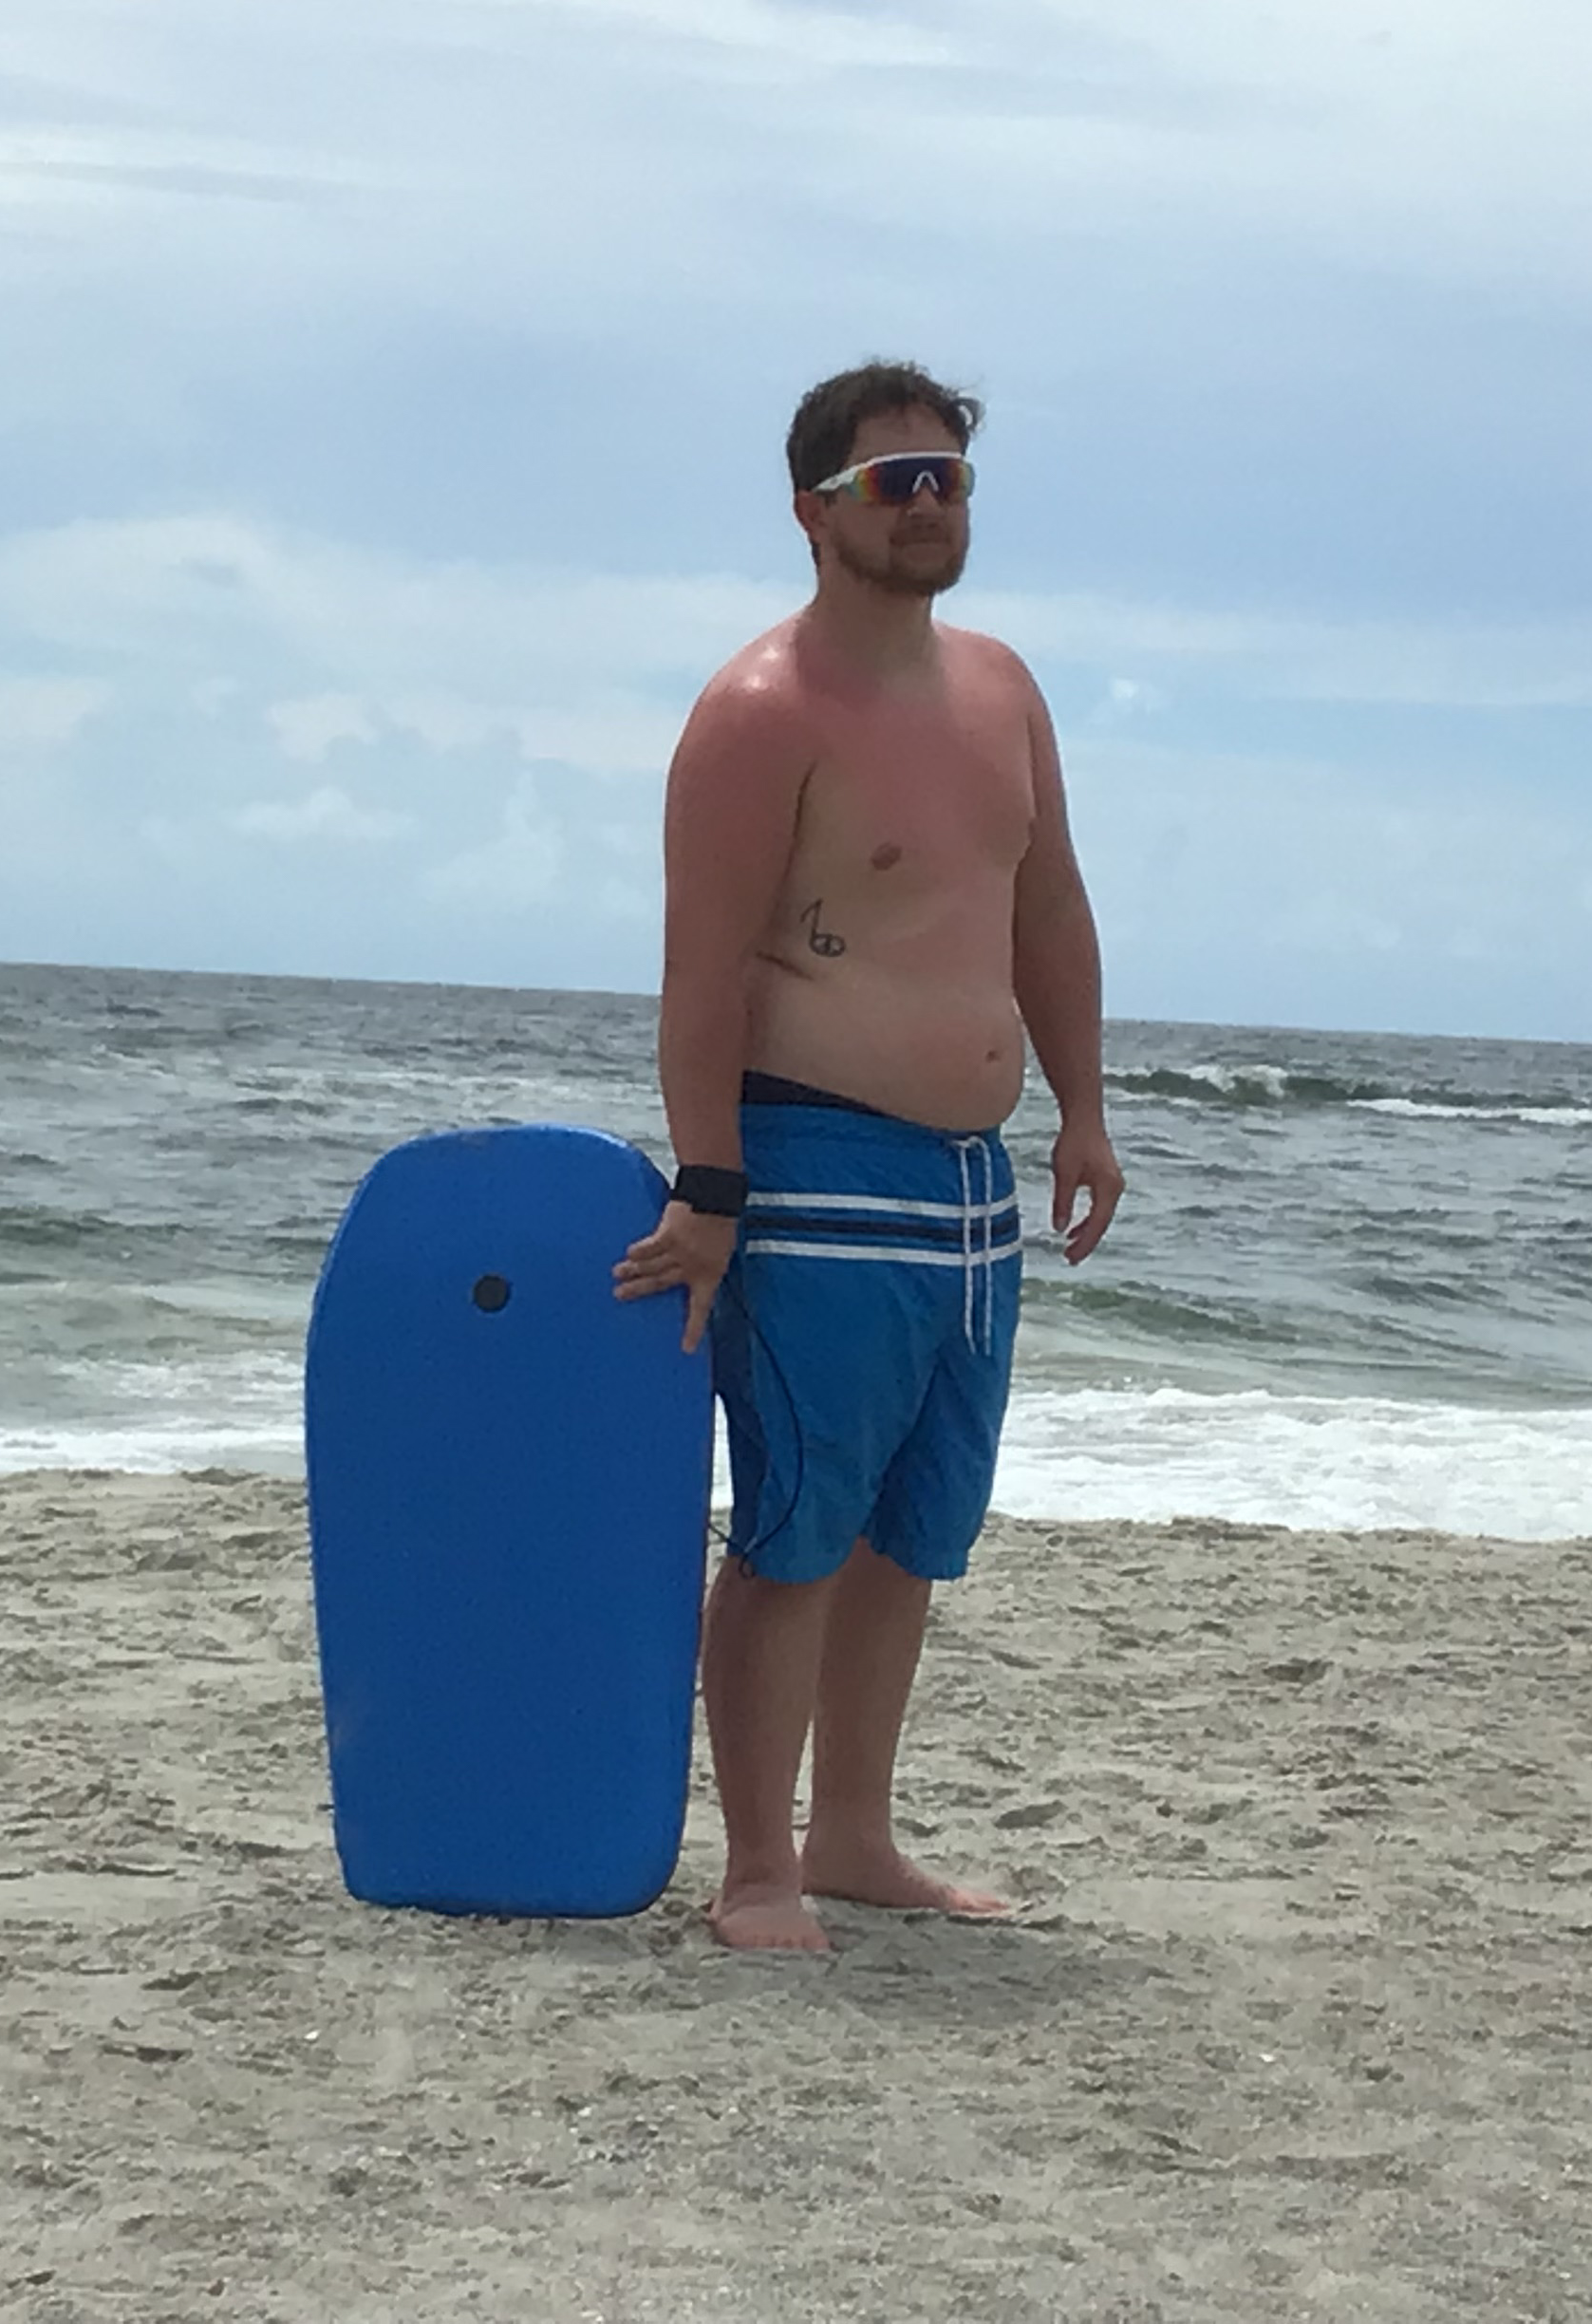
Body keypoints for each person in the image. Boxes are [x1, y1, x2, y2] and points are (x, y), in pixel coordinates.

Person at [612, 359, 1124, 1954]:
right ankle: (755, 1868)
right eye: (897, 483)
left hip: (971, 1190)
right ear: (813, 513)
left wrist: (1083, 1107)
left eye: (950, 481)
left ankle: (853, 1838)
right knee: (796, 1527)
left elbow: (1047, 910)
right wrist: (708, 1190)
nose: (930, 509)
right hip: (817, 1168)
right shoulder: (763, 711)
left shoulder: (1005, 689)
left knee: (914, 1529)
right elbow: (699, 976)